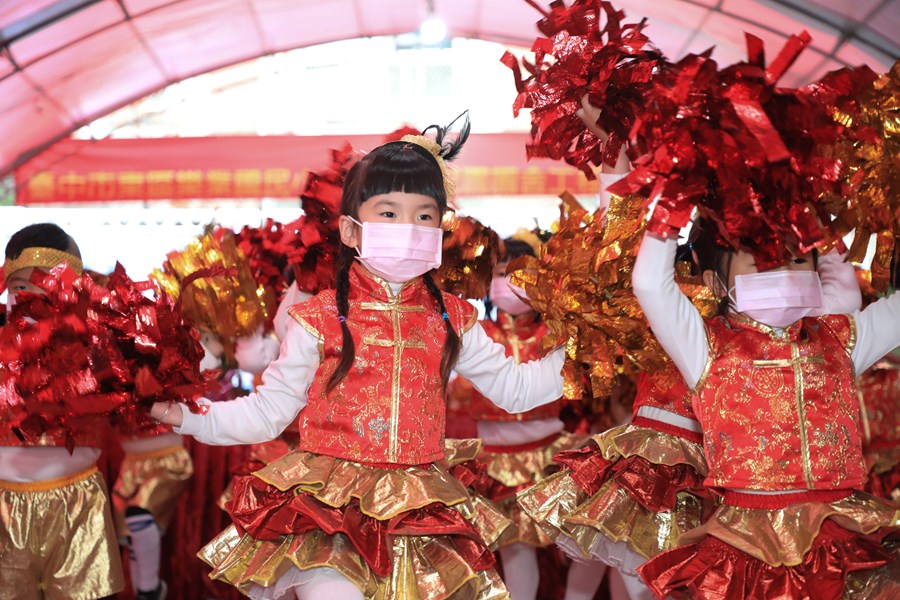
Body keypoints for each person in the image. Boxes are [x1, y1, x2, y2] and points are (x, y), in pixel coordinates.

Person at [151, 118, 566, 600]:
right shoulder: (318, 317)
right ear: (351, 229)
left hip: (421, 507)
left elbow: (517, 389)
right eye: (388, 213)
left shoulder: (453, 318)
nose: (408, 228)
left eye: (424, 216)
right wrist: (184, 416)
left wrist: (585, 351)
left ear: (442, 227)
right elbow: (266, 413)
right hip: (332, 511)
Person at [632, 211, 900, 598]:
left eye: (795, 259)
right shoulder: (705, 348)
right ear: (715, 282)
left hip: (839, 529)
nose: (784, 272)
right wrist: (672, 207)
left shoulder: (842, 340)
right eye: (761, 261)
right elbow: (650, 285)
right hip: (747, 540)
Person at [447, 233, 602, 600]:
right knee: (515, 552)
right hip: (493, 467)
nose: (509, 284)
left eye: (522, 275)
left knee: (587, 541)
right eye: (501, 274)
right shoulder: (475, 336)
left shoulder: (557, 335)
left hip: (553, 459)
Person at [0, 223, 125, 600]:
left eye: (45, 283)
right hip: (4, 509)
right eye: (20, 286)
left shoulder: (101, 347)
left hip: (79, 506)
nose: (30, 296)